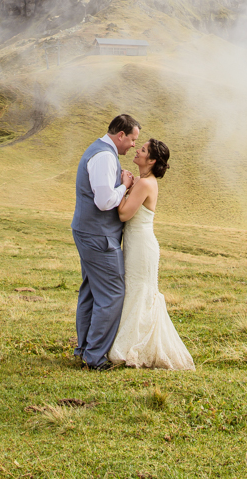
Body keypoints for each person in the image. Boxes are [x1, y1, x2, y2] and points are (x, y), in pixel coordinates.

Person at [108, 137, 195, 370]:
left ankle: (132, 348)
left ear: (152, 160)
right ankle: (132, 343)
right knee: (136, 292)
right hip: (137, 244)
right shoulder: (143, 181)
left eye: (143, 149)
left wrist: (124, 187)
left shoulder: (145, 184)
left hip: (142, 247)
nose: (137, 150)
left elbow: (124, 214)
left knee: (139, 293)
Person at [70, 113, 138, 370]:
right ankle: (94, 358)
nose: (133, 145)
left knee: (90, 291)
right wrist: (125, 185)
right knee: (112, 294)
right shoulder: (105, 157)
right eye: (132, 139)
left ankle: (84, 349)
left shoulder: (98, 151)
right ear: (121, 135)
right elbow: (104, 201)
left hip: (89, 232)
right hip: (98, 236)